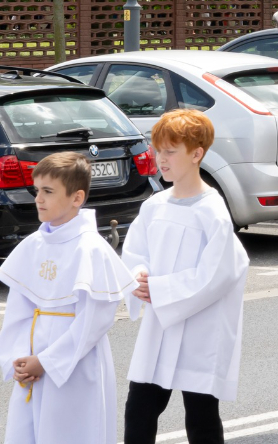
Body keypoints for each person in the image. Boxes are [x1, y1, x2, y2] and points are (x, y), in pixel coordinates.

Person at [123, 110, 249, 444]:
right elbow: (135, 252)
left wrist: (160, 289)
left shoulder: (212, 211)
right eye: (158, 150)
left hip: (199, 328)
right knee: (139, 409)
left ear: (197, 154)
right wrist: (139, 277)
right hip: (160, 325)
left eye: (170, 151)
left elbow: (218, 274)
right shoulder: (155, 206)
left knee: (202, 415)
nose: (161, 160)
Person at [0, 153, 136, 444]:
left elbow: (93, 323)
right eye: (37, 190)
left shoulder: (90, 249)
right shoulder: (33, 245)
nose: (39, 198)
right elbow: (18, 312)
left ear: (77, 198)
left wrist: (47, 361)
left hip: (73, 368)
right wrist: (18, 361)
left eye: (49, 191)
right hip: (32, 365)